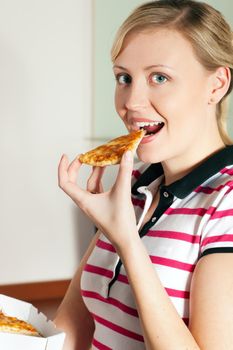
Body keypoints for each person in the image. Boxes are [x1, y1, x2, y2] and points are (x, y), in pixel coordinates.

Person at [55, 0, 233, 349]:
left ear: (217, 84)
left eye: (160, 77)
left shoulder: (226, 205)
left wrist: (128, 244)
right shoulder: (135, 182)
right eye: (124, 78)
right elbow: (73, 327)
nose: (132, 101)